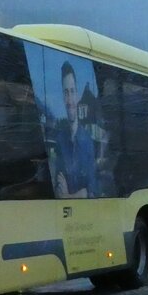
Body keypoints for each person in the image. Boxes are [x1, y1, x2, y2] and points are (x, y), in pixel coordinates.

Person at [53, 61, 98, 198]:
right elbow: (58, 187)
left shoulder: (88, 142)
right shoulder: (60, 141)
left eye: (72, 91)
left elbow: (91, 191)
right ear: (62, 96)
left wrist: (68, 196)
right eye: (66, 93)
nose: (69, 100)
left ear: (77, 95)